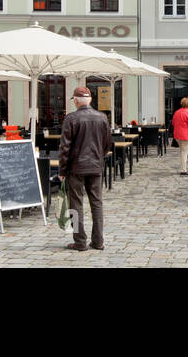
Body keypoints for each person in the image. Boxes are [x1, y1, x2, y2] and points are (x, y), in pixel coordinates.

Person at [57, 86, 112, 252]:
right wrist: (98, 157)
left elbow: (64, 148)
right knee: (97, 203)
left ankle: (80, 241)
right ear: (90, 100)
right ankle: (98, 241)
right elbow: (107, 143)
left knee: (76, 204)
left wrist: (62, 170)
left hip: (76, 167)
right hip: (95, 166)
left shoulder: (71, 118)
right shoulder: (102, 117)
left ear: (75, 100)